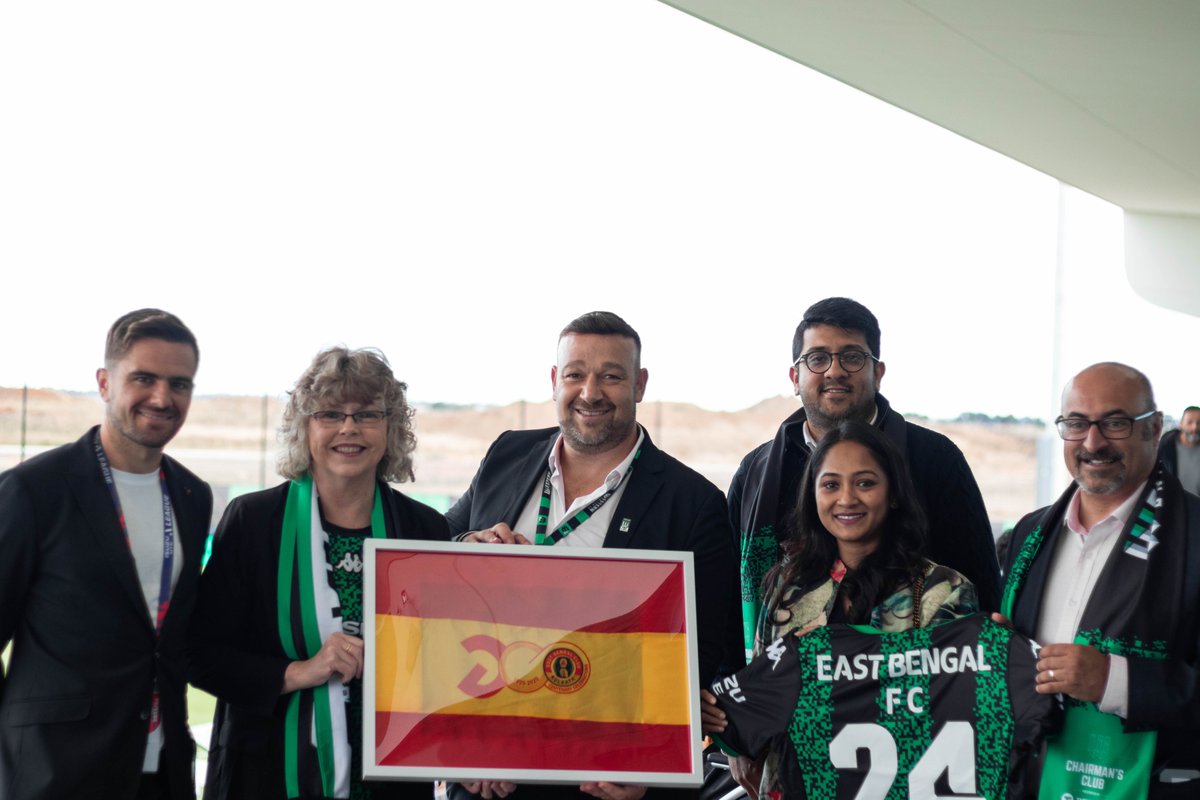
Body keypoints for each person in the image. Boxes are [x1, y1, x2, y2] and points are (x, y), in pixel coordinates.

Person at [445, 311, 737, 800]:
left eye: (611, 376)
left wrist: (646, 765)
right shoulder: (506, 454)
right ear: (555, 380)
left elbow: (698, 660)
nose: (590, 392)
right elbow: (434, 550)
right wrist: (467, 547)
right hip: (488, 767)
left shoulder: (695, 504)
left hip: (598, 775)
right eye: (576, 374)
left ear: (639, 384)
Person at [188, 347, 449, 800]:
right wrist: (297, 672)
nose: (349, 428)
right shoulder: (253, 522)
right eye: (330, 414)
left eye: (367, 414)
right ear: (305, 427)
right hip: (267, 776)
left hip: (391, 783)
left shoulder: (423, 530)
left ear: (391, 428)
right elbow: (199, 653)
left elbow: (447, 662)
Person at [0, 308, 212, 800]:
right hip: (54, 773)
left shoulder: (191, 494)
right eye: (144, 378)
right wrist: (19, 739)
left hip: (163, 769)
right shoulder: (33, 491)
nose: (163, 398)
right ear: (104, 382)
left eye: (179, 384)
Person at [704, 421, 979, 798]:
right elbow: (762, 698)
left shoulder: (944, 592)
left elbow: (959, 716)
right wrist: (716, 712)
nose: (846, 499)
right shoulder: (785, 589)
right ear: (812, 496)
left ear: (894, 493)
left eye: (865, 483)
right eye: (831, 484)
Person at [727, 297, 1000, 664]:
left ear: (878, 372)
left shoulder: (936, 459)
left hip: (918, 689)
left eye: (852, 357)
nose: (834, 371)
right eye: (818, 358)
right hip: (784, 697)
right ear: (795, 377)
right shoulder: (756, 471)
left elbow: (979, 582)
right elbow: (726, 592)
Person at [998, 363, 1200, 798]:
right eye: (1076, 423)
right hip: (1033, 780)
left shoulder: (1196, 536)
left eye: (1115, 422)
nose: (1093, 442)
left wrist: (1115, 681)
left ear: (1154, 429)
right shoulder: (1029, 535)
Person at [1157, 405, 1200, 495]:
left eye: (1199, 423)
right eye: (1189, 422)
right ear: (1181, 424)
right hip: (1173, 505)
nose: (1195, 428)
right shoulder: (1165, 448)